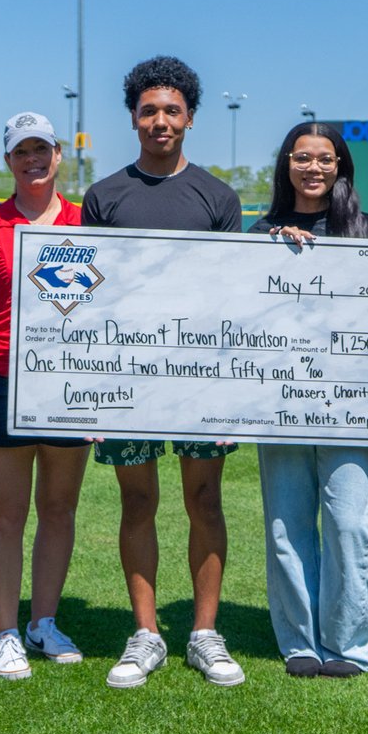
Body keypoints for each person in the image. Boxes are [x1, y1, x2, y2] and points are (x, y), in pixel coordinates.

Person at [83, 55, 244, 689]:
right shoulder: (105, 195)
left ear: (190, 118)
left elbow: (237, 301)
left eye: (171, 110)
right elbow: (87, 304)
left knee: (205, 499)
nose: (160, 121)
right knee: (138, 501)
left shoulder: (218, 196)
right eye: (148, 110)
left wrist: (232, 396)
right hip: (128, 380)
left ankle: (204, 633)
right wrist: (89, 394)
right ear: (133, 118)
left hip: (201, 380)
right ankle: (145, 633)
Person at [248, 122, 368, 679]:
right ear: (287, 164)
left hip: (350, 404)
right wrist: (273, 254)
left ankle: (349, 643)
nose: (313, 168)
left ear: (341, 166)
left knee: (348, 524)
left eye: (325, 159)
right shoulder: (262, 232)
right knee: (287, 527)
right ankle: (300, 641)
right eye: (302, 157)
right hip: (277, 400)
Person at [0, 112, 90, 681]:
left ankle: (45, 621)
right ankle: (7, 631)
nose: (32, 159)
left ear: (59, 156)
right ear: (8, 161)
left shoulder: (89, 222)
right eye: (20, 151)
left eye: (42, 149)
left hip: (70, 384)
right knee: (6, 516)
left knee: (59, 510)